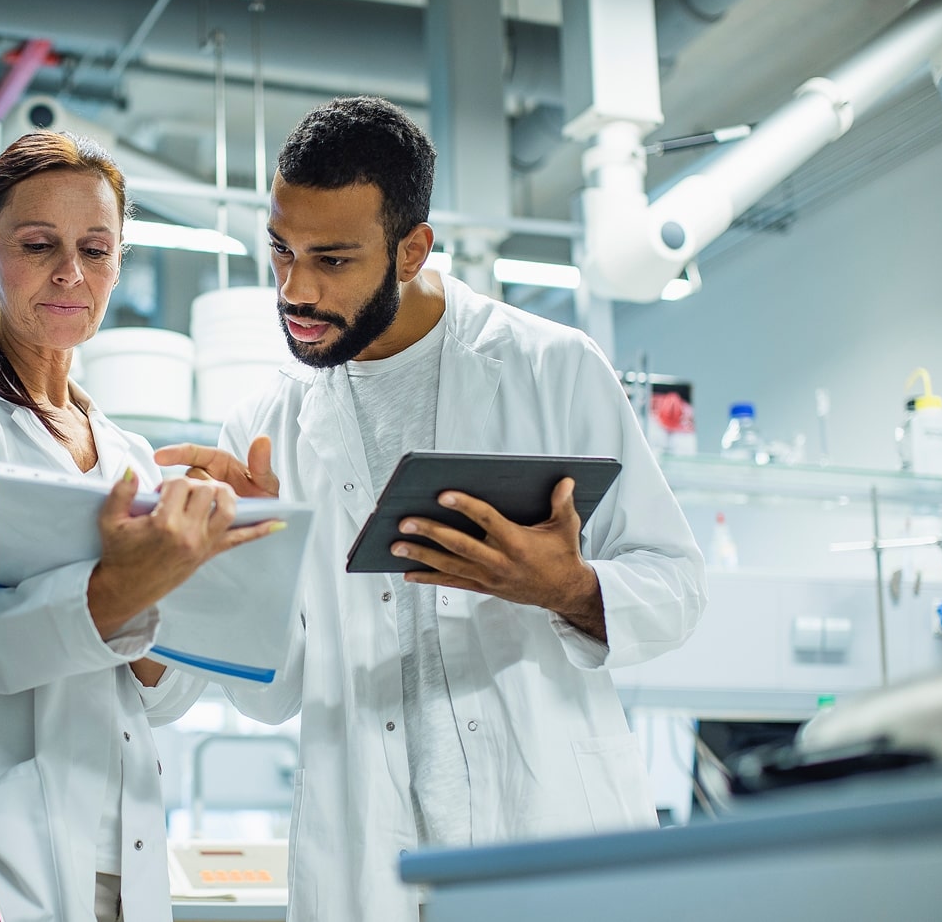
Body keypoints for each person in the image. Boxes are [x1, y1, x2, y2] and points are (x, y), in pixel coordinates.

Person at [156, 96, 707, 921]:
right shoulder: (262, 428)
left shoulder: (548, 368)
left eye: (332, 260)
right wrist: (252, 567)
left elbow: (676, 586)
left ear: (411, 249)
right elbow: (272, 696)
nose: (294, 289)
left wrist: (567, 587)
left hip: (543, 834)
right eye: (280, 250)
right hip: (365, 861)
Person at [0, 131, 275, 922]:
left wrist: (237, 555)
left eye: (96, 249)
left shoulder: (129, 454)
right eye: (38, 244)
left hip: (118, 854)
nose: (70, 273)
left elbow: (161, 695)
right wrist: (116, 590)